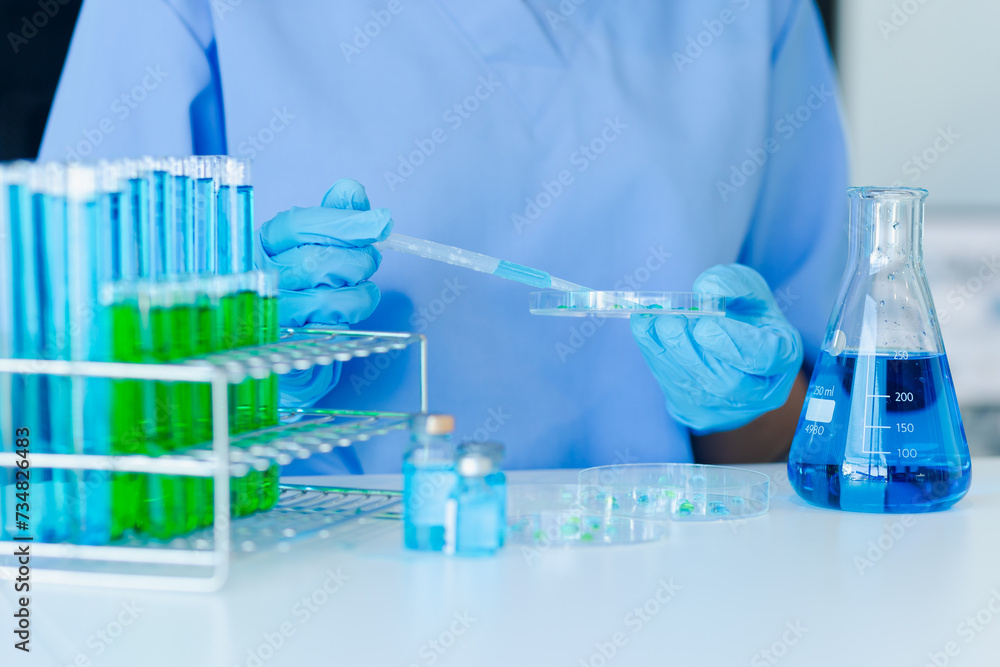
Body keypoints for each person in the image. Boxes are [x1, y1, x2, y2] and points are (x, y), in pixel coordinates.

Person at [40, 0, 847, 474]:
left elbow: (810, 437)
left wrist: (744, 396)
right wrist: (241, 366)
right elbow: (49, 422)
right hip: (299, 595)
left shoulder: (753, 16)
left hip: (660, 587)